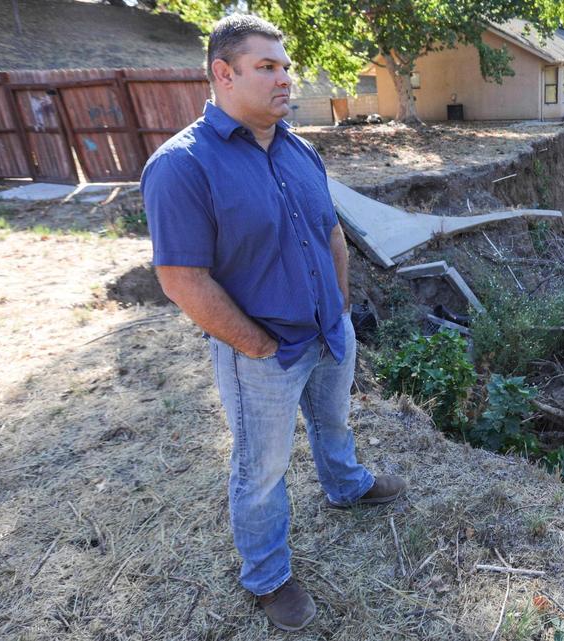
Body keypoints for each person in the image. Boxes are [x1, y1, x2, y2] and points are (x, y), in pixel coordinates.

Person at [139, 13, 406, 632]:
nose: (286, 78)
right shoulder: (182, 165)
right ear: (223, 73)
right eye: (267, 67)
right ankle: (267, 576)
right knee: (261, 470)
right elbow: (181, 277)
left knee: (334, 422)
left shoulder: (299, 148)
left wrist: (340, 306)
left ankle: (346, 485)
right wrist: (255, 344)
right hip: (261, 352)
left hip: (328, 331)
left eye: (285, 66)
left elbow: (330, 231)